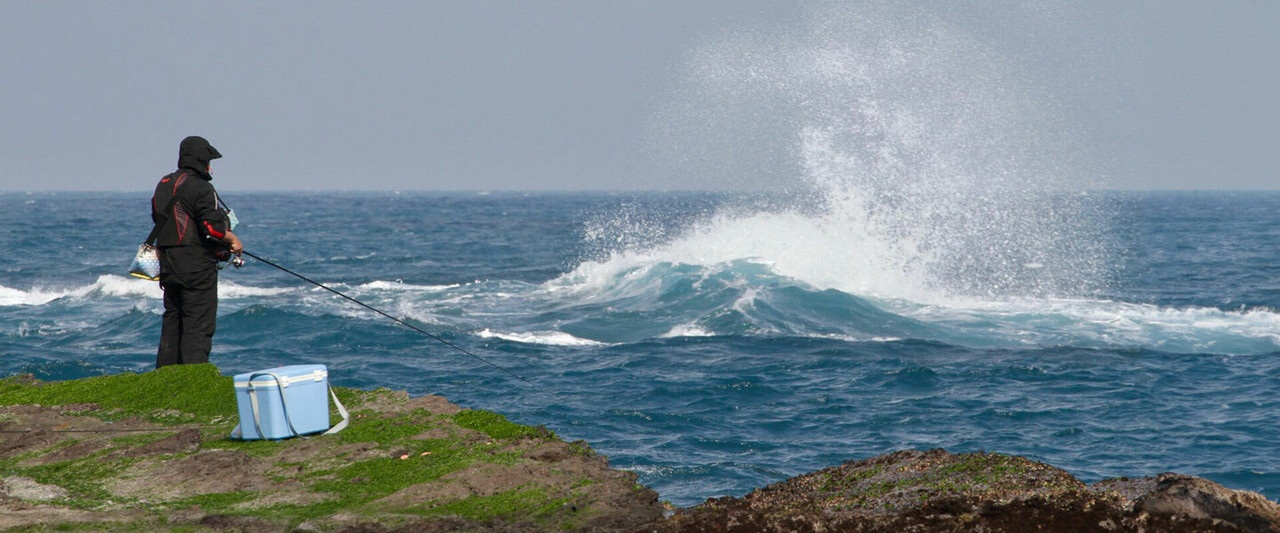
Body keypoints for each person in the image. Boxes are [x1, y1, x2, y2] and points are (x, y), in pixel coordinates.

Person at [150, 136, 243, 368]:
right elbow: (212, 228)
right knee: (198, 325)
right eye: (209, 160)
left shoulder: (163, 184)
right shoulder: (202, 187)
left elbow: (157, 217)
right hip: (196, 268)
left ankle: (165, 377)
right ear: (201, 161)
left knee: (173, 320)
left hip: (168, 265)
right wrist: (233, 239)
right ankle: (194, 377)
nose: (210, 166)